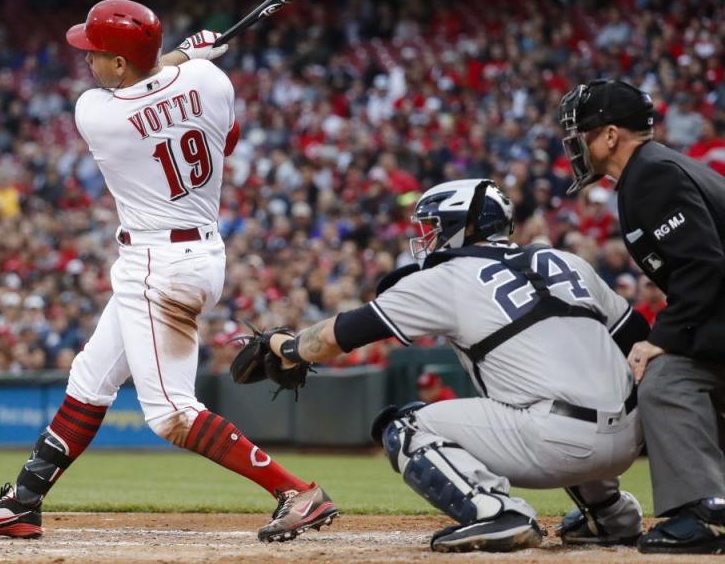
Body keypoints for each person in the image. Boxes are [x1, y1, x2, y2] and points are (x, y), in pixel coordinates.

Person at [0, 0, 338, 542]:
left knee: (170, 413)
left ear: (122, 65)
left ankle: (296, 491)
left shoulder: (97, 113)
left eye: (98, 54)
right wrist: (187, 63)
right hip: (193, 252)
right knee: (90, 379)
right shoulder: (210, 79)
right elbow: (226, 141)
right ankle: (22, 503)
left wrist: (182, 54)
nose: (88, 62)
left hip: (160, 266)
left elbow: (149, 84)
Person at [254, 179, 648, 552]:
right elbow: (637, 337)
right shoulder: (564, 259)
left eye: (434, 226)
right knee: (570, 391)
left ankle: (497, 513)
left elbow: (334, 337)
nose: (427, 237)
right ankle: (611, 513)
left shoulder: (448, 277)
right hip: (630, 438)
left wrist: (287, 348)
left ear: (463, 225)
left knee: (404, 427)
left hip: (560, 444)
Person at [559, 78, 725, 554]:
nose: (577, 145)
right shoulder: (657, 168)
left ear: (611, 135)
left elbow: (702, 265)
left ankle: (702, 514)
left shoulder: (652, 174)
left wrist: (663, 339)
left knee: (668, 377)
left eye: (582, 134)